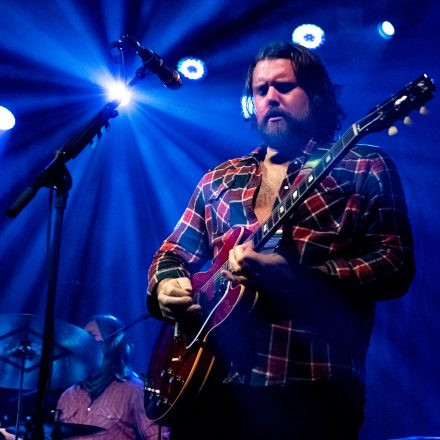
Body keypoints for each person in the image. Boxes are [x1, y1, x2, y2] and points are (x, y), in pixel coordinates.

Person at [147, 41, 415, 439]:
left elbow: (395, 264)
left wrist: (300, 277)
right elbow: (172, 252)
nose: (271, 97)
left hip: (309, 388)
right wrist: (166, 285)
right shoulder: (220, 178)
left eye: (284, 87)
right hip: (208, 384)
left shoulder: (364, 165)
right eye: (260, 90)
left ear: (317, 94)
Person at [56, 315, 167, 440]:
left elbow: (158, 437)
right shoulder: (67, 396)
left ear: (113, 344)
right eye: (81, 337)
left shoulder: (134, 391)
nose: (83, 342)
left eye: (91, 337)